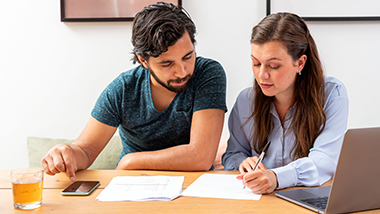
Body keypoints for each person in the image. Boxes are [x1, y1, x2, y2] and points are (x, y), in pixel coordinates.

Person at [41, 2, 227, 181]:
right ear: (143, 60)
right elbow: (85, 151)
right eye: (167, 64)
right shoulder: (123, 90)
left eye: (188, 56)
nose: (183, 71)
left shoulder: (208, 74)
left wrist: (131, 161)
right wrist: (66, 152)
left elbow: (201, 156)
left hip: (194, 186)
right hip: (134, 185)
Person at [222, 12, 349, 194]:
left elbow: (325, 160)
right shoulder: (245, 101)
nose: (261, 75)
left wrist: (276, 177)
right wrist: (242, 162)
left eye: (273, 66)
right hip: (259, 202)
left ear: (300, 63)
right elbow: (233, 154)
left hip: (310, 199)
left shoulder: (332, 94)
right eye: (256, 63)